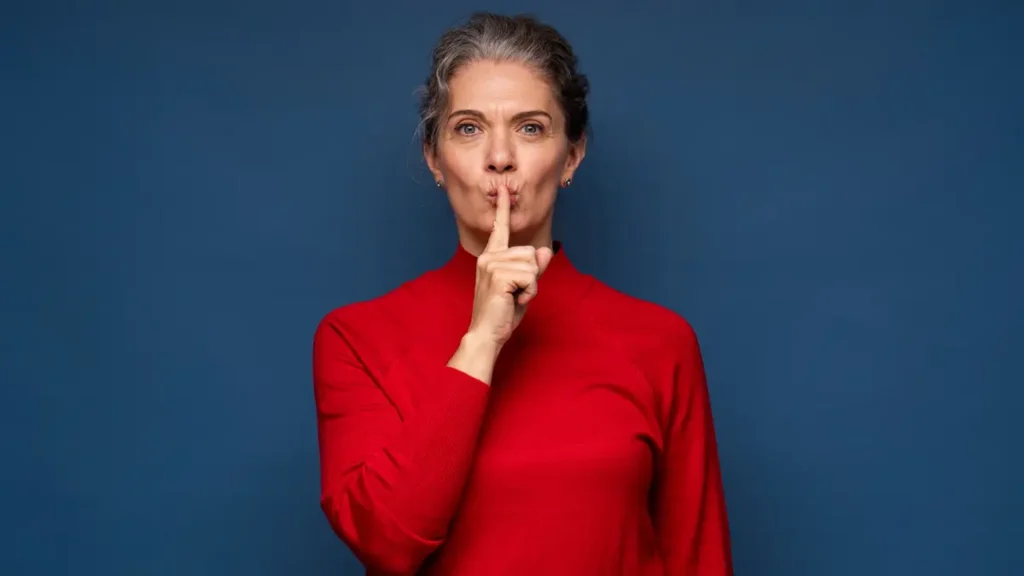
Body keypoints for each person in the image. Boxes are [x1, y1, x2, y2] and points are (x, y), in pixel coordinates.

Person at [313, 12, 733, 576]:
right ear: (435, 159)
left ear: (572, 156)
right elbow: (387, 542)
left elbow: (696, 557)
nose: (500, 157)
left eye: (531, 127)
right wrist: (482, 339)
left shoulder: (660, 342)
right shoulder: (355, 338)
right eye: (468, 128)